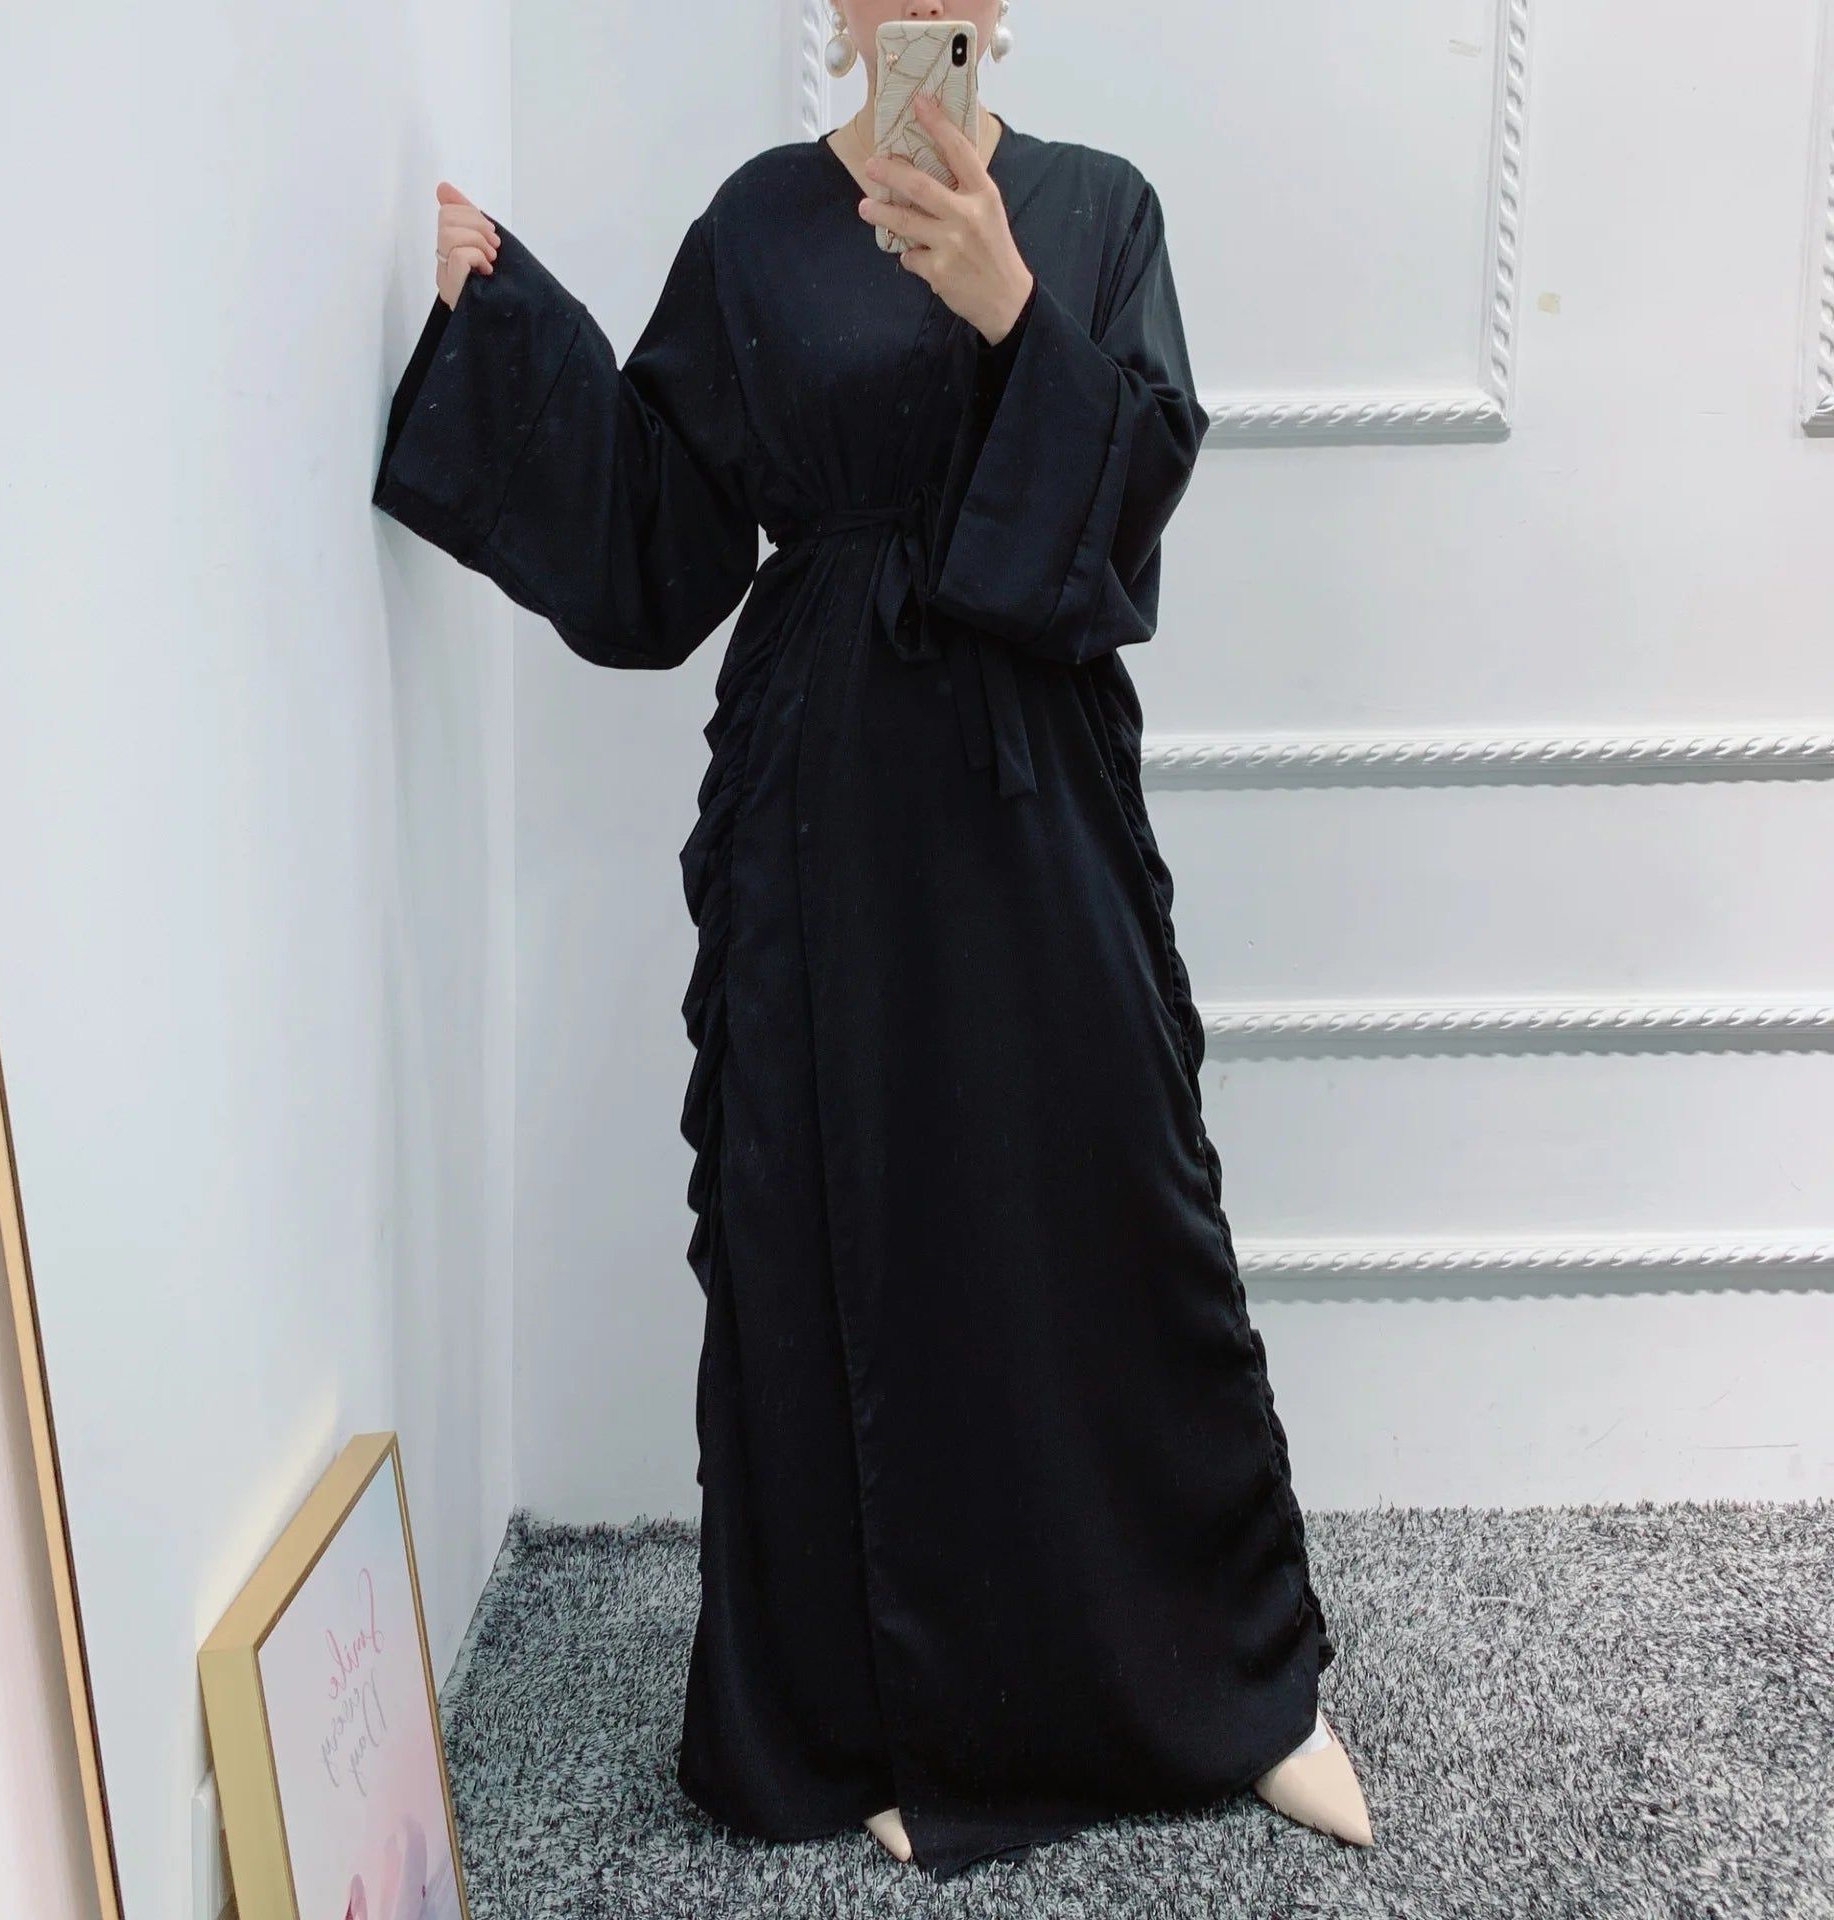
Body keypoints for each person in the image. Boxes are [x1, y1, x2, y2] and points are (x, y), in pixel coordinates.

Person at [372, 0, 1373, 1880]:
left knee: (1119, 1198)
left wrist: (1009, 307)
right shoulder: (757, 224)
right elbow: (666, 535)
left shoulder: (1097, 211)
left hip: (1039, 784)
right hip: (823, 799)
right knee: (831, 1221)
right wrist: (500, 322)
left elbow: (1133, 504)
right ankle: (882, 1716)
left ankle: (1232, 1687)